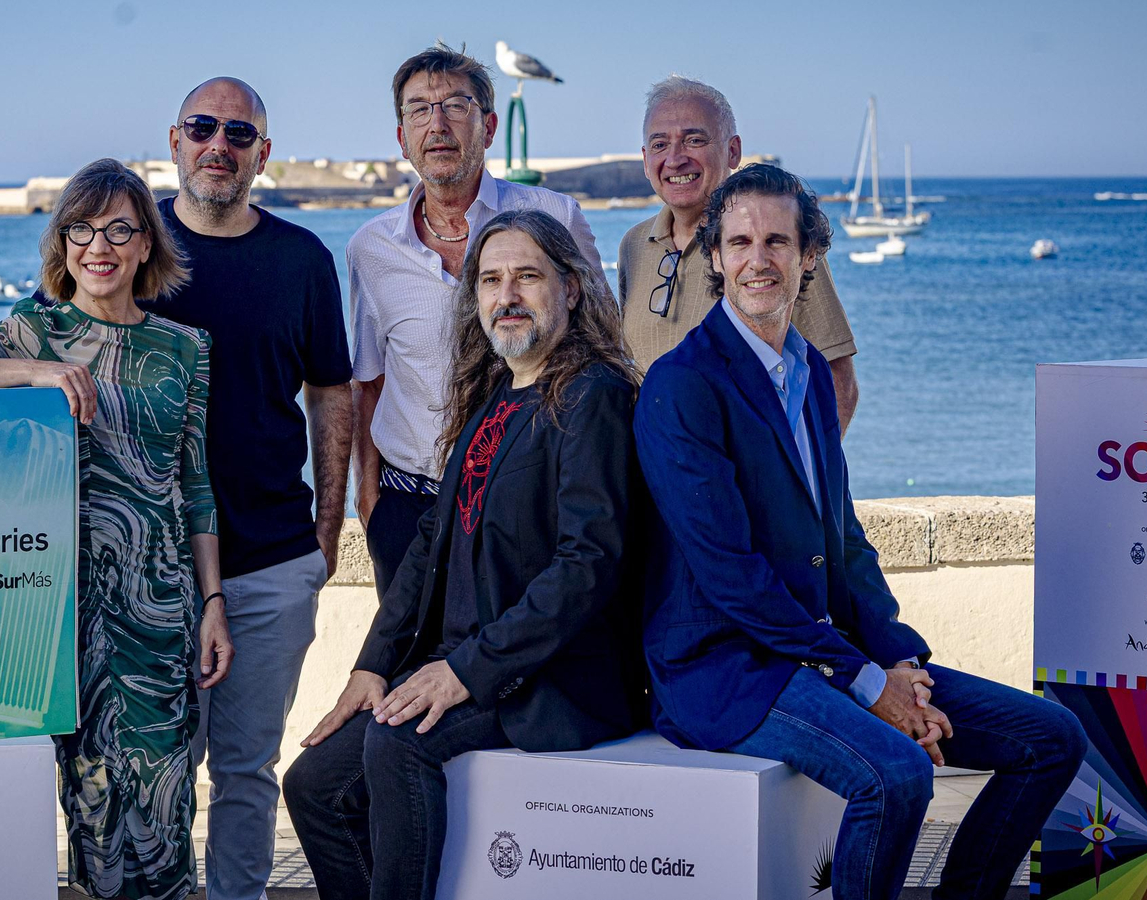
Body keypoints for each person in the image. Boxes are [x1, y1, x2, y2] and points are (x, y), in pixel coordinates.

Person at [634, 164, 1086, 900]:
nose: (759, 260)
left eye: (778, 240)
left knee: (1050, 739)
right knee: (897, 774)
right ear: (713, 256)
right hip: (727, 669)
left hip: (820, 650)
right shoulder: (682, 385)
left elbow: (843, 540)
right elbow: (729, 575)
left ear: (810, 255)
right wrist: (868, 683)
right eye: (740, 241)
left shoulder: (808, 370)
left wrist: (899, 658)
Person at [0, 158, 232, 900]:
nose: (98, 246)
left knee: (167, 797)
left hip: (161, 610)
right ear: (61, 244)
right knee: (92, 799)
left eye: (118, 230)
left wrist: (214, 603)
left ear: (144, 246)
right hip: (60, 609)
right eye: (80, 229)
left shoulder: (186, 349)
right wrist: (33, 373)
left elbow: (194, 484)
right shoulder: (33, 331)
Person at [285, 209, 644, 900]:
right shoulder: (492, 397)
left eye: (527, 277)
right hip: (472, 663)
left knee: (399, 743)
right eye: (490, 280)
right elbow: (429, 545)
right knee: (313, 786)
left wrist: (464, 673)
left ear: (571, 288)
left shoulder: (593, 396)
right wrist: (372, 666)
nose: (506, 295)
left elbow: (586, 565)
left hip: (551, 678)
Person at [143, 76, 353, 900]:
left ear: (262, 155)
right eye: (203, 128)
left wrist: (326, 535)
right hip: (149, 571)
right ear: (175, 140)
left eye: (238, 134)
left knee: (245, 771)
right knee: (153, 770)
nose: (218, 146)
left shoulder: (301, 260)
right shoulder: (126, 245)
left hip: (269, 562)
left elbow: (332, 392)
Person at [348, 43, 605, 599]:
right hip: (407, 506)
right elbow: (368, 383)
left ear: (488, 126)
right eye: (419, 109)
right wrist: (369, 504)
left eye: (455, 106)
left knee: (509, 674)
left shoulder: (554, 217)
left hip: (527, 504)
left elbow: (603, 353)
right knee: (407, 677)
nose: (436, 123)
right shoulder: (369, 248)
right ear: (401, 137)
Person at [619, 75, 861, 432]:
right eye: (659, 144)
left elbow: (837, 381)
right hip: (651, 480)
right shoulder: (633, 245)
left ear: (733, 151)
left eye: (694, 140)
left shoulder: (772, 250)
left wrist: (798, 479)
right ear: (644, 159)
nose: (674, 159)